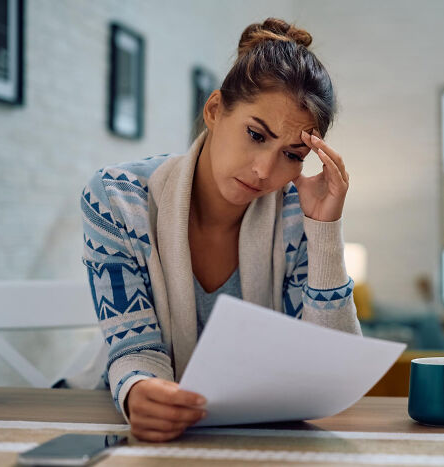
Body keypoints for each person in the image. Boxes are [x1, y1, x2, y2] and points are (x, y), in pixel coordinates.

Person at [80, 18, 361, 442]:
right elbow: (134, 349)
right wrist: (141, 392)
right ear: (214, 111)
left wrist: (324, 231)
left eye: (291, 154)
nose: (264, 170)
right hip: (123, 422)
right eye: (255, 134)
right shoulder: (118, 199)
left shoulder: (297, 213)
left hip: (254, 435)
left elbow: (332, 372)